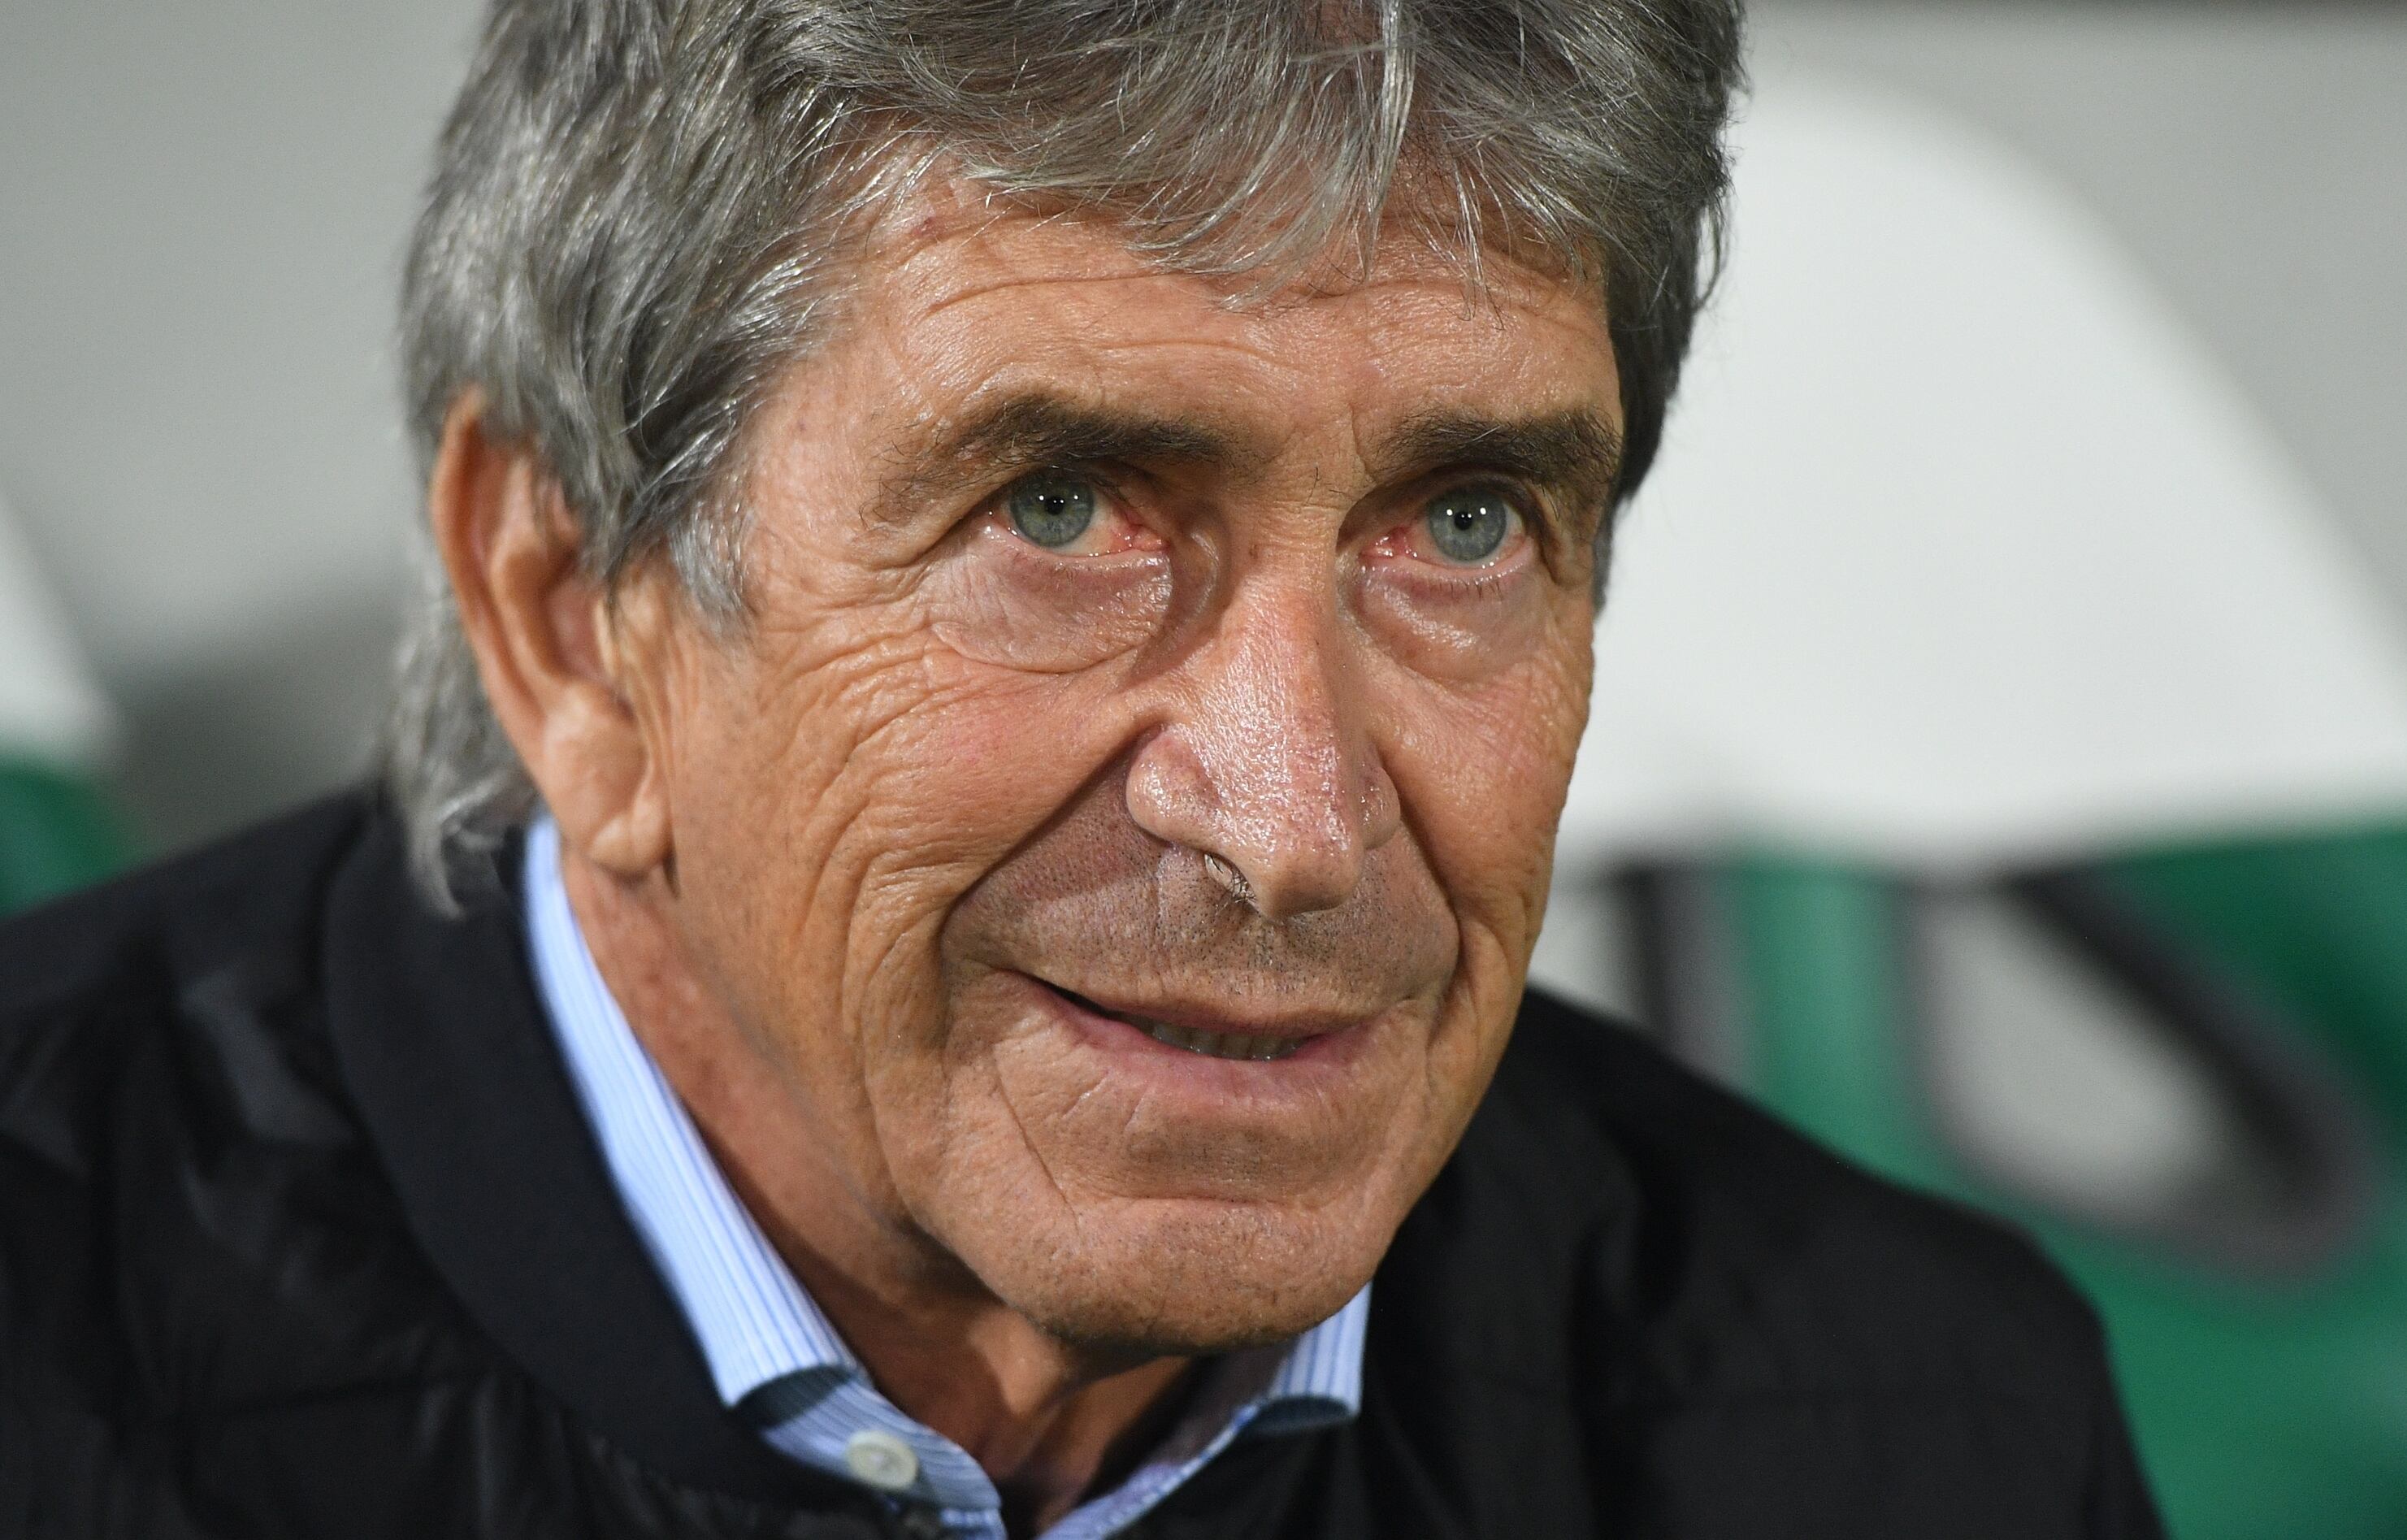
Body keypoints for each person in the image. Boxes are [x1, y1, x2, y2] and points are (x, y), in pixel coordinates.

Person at [0, 2, 2165, 1536]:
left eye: (1464, 525)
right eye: (1055, 511)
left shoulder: (1920, 1427)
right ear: (569, 607)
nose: (1294, 825)